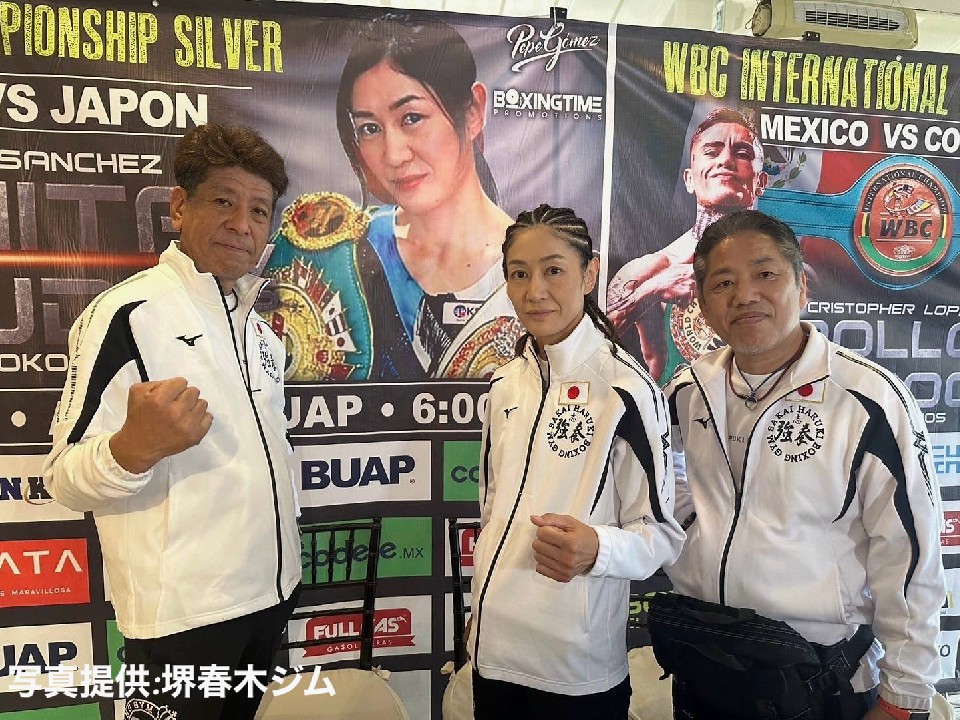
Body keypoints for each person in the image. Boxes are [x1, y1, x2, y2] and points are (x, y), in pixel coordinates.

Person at [43, 124, 302, 720]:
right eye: (223, 201)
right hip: (181, 623)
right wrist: (132, 449)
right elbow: (62, 477)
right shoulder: (127, 314)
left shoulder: (260, 333)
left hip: (268, 601)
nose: (242, 224)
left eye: (258, 210)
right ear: (180, 206)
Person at [659, 209, 945, 720]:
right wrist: (690, 529)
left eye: (765, 274)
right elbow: (658, 473)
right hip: (707, 662)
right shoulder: (687, 389)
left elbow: (909, 555)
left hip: (819, 678)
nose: (745, 295)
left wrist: (905, 696)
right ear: (702, 304)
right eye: (723, 283)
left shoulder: (868, 399)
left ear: (802, 286)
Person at [468, 204, 685, 719]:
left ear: (589, 275)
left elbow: (661, 534)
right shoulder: (504, 384)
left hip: (576, 672)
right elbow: (491, 511)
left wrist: (598, 549)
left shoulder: (626, 390)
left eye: (553, 270)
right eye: (519, 274)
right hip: (491, 659)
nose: (535, 291)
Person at [265, 15, 523, 381]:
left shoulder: (539, 267)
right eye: (370, 128)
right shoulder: (328, 255)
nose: (393, 154)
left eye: (411, 118)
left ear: (473, 111)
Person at [606, 107, 768, 383]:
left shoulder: (784, 271)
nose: (725, 160)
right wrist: (651, 291)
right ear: (690, 179)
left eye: (742, 153)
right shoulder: (652, 270)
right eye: (712, 152)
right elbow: (594, 350)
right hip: (678, 408)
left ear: (760, 182)